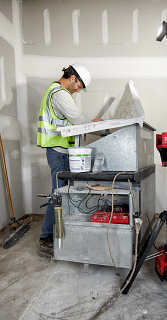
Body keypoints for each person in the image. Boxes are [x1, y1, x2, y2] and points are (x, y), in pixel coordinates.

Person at [36, 64, 102, 258]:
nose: (80, 89)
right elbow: (78, 120)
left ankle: (58, 233)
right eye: (80, 84)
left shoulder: (60, 92)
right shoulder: (59, 93)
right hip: (58, 151)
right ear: (73, 77)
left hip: (61, 150)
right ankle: (46, 239)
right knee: (58, 195)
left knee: (61, 194)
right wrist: (94, 123)